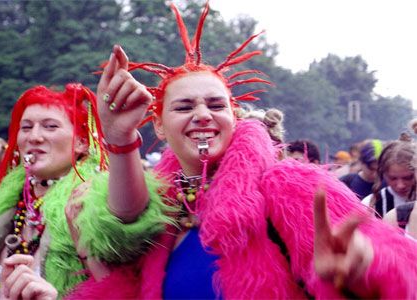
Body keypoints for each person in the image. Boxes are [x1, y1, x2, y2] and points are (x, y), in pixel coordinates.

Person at [67, 3, 417, 299]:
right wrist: (119, 136)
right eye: (184, 106)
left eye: (216, 105)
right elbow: (122, 260)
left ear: (234, 117)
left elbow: (401, 267)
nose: (202, 115)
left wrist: (365, 267)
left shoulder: (287, 185)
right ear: (159, 125)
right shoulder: (161, 208)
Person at [0, 84, 169, 298]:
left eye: (50, 126)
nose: (34, 137)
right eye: (26, 127)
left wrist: (122, 140)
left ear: (81, 143)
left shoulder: (93, 196)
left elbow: (127, 220)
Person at [362, 140, 416, 217]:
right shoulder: (371, 205)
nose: (400, 186)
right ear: (383, 174)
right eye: (393, 178)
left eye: (407, 178)